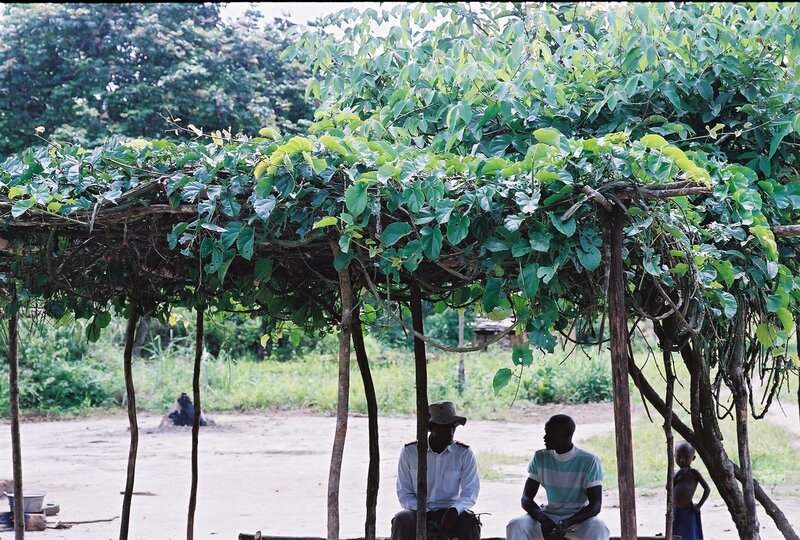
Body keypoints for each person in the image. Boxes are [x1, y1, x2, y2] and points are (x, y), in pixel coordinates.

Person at [506, 414, 610, 540]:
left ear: (567, 436)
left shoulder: (589, 460)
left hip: (578, 519)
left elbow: (595, 505)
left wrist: (567, 522)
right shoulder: (541, 457)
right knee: (516, 525)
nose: (545, 437)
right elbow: (526, 498)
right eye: (545, 432)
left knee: (599, 527)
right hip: (548, 516)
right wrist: (543, 519)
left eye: (550, 434)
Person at [391, 400, 480, 540]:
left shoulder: (464, 453)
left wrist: (455, 509)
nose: (451, 432)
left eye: (453, 427)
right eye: (444, 427)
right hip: (418, 510)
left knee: (471, 522)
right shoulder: (410, 452)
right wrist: (423, 512)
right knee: (401, 519)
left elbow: (470, 491)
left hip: (450, 511)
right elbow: (404, 493)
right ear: (431, 427)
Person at [672, 441, 710, 540]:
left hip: (689, 510)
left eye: (686, 457)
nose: (682, 460)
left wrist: (699, 505)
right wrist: (677, 475)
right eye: (678, 457)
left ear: (693, 458)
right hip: (675, 510)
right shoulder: (674, 473)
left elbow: (707, 489)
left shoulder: (694, 473)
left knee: (690, 533)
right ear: (674, 456)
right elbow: (668, 487)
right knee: (674, 532)